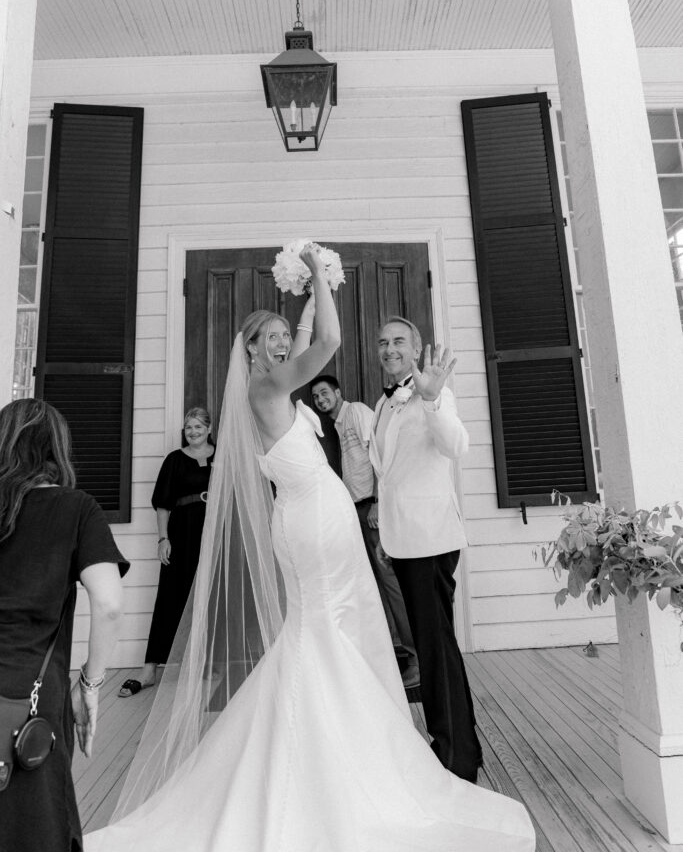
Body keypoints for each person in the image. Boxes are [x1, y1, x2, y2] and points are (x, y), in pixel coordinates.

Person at [85, 245, 535, 852]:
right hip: (314, 523)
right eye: (267, 336)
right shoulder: (269, 387)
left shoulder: (272, 387)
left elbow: (302, 339)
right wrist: (321, 273)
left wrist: (300, 287)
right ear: (249, 351)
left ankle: (332, 739)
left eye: (279, 334)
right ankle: (331, 756)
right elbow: (325, 339)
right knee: (325, 630)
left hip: (313, 518)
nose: (278, 342)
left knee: (324, 632)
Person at [0, 398, 128, 852]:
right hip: (32, 697)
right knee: (37, 825)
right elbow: (109, 603)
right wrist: (90, 685)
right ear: (57, 448)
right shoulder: (76, 509)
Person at [369, 315, 481, 782]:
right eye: (382, 342)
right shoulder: (383, 402)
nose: (389, 348)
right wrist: (383, 532)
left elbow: (457, 446)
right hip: (402, 539)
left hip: (431, 541)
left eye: (398, 341)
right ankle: (459, 745)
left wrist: (434, 399)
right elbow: (388, 472)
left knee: (435, 648)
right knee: (434, 644)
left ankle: (454, 758)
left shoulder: (436, 392)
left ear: (416, 350)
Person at [310, 373, 419, 688]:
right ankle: (388, 654)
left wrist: (376, 503)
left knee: (390, 580)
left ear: (338, 391)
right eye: (316, 397)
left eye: (324, 393)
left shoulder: (356, 412)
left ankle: (417, 656)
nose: (320, 400)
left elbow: (380, 457)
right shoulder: (339, 423)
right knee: (374, 583)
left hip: (372, 508)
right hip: (356, 509)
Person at [119, 408, 214, 697]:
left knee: (210, 596)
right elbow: (163, 504)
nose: (193, 431)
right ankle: (150, 669)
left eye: (198, 426)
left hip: (213, 534)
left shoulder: (222, 455)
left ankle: (206, 663)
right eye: (188, 427)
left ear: (209, 429)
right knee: (170, 597)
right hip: (182, 533)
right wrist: (163, 538)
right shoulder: (174, 460)